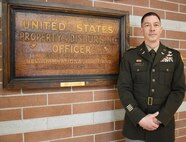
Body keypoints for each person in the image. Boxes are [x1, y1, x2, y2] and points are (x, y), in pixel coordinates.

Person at [117, 12, 185, 142]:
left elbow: (178, 91)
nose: (152, 28)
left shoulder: (174, 57)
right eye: (147, 25)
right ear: (142, 29)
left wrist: (160, 118)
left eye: (156, 25)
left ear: (161, 29)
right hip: (135, 127)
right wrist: (139, 118)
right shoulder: (130, 56)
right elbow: (123, 89)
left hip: (163, 129)